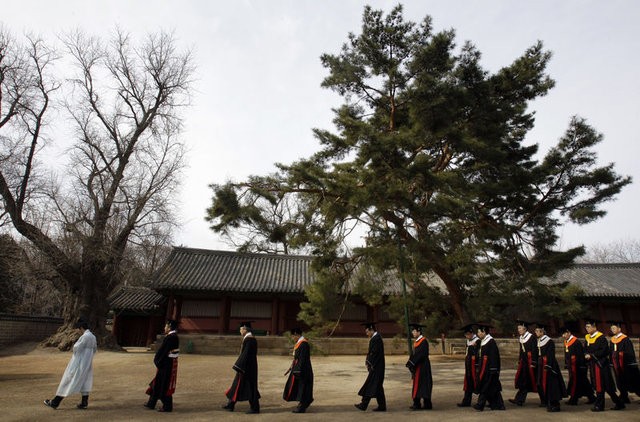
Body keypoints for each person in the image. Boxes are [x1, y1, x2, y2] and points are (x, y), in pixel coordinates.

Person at [44, 318, 97, 410]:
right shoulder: (93, 336)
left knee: (68, 379)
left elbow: (76, 348)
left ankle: (55, 402)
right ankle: (84, 402)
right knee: (85, 380)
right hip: (87, 363)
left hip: (79, 362)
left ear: (81, 328)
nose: (77, 331)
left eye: (77, 329)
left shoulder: (84, 337)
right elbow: (94, 349)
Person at [584, 318, 624, 411]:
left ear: (594, 327)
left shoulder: (601, 338)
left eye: (589, 327)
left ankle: (599, 405)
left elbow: (604, 351)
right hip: (593, 364)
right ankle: (619, 403)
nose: (587, 329)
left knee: (601, 385)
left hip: (601, 365)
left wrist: (591, 355)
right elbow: (585, 349)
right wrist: (585, 354)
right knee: (606, 386)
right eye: (586, 327)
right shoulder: (588, 337)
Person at [223, 321, 261, 414]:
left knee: (250, 387)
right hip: (246, 366)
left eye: (240, 329)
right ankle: (230, 404)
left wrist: (238, 366)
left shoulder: (250, 340)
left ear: (245, 329)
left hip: (247, 368)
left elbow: (246, 354)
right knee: (237, 385)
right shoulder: (248, 339)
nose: (240, 331)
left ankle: (255, 408)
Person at [144, 319, 179, 412]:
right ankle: (151, 403)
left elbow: (164, 352)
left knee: (163, 384)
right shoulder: (173, 337)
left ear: (170, 327)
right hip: (167, 363)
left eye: (166, 326)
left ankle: (167, 406)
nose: (164, 328)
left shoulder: (171, 338)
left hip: (166, 365)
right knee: (157, 383)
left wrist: (158, 360)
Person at [534, 323, 567, 412]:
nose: (536, 332)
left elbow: (551, 355)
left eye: (537, 331)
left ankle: (555, 404)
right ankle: (546, 401)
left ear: (542, 331)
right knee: (540, 383)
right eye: (535, 331)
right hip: (541, 364)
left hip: (549, 365)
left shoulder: (549, 341)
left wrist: (548, 365)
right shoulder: (539, 340)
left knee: (552, 385)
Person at [354, 322, 386, 412]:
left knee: (370, 385)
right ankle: (382, 406)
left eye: (367, 331)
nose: (366, 333)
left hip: (376, 367)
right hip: (377, 366)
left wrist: (369, 362)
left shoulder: (377, 339)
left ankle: (364, 404)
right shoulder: (375, 338)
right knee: (377, 386)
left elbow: (374, 353)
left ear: (372, 329)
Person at [473, 324, 505, 411]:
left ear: (484, 332)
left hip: (490, 369)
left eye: (479, 332)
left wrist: (493, 369)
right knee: (494, 388)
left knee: (485, 387)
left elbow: (494, 356)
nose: (478, 334)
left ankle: (480, 405)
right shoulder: (483, 341)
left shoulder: (491, 342)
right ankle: (499, 405)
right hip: (484, 368)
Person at [560, 324, 595, 405]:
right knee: (584, 382)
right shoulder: (566, 342)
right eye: (562, 334)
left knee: (575, 382)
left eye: (564, 333)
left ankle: (574, 399)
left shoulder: (576, 342)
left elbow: (580, 355)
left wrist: (581, 365)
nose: (563, 336)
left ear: (569, 332)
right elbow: (567, 354)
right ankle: (592, 397)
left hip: (578, 366)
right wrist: (566, 363)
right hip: (571, 366)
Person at [283, 327, 314, 413]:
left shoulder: (304, 344)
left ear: (296, 334)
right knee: (300, 387)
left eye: (293, 336)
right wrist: (291, 367)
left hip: (303, 369)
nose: (292, 338)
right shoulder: (299, 343)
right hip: (298, 367)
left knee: (303, 387)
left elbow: (303, 359)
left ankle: (302, 406)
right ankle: (305, 402)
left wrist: (298, 370)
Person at [608, 321, 640, 404]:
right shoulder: (612, 340)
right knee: (620, 380)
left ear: (619, 329)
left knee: (632, 381)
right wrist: (612, 361)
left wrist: (621, 355)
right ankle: (624, 396)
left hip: (626, 365)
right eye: (611, 328)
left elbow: (630, 352)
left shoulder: (625, 339)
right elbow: (611, 352)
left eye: (614, 328)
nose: (613, 330)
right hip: (617, 365)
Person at [509, 320, 538, 406]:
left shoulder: (531, 337)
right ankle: (519, 399)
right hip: (524, 362)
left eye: (520, 328)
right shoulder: (521, 338)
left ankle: (545, 399)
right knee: (523, 380)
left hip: (531, 362)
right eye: (518, 328)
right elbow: (521, 351)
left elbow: (534, 350)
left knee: (535, 381)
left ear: (525, 329)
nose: (518, 330)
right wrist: (520, 360)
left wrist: (533, 362)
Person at [405, 323, 433, 410]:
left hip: (423, 366)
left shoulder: (423, 341)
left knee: (423, 384)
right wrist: (410, 362)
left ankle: (425, 404)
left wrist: (412, 362)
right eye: (412, 331)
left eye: (414, 331)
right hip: (418, 366)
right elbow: (414, 354)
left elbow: (421, 354)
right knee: (418, 384)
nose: (413, 333)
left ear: (419, 332)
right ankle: (417, 403)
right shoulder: (417, 342)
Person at [457, 323, 480, 407]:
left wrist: (471, 348)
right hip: (468, 365)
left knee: (478, 383)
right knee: (468, 383)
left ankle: (485, 401)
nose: (466, 336)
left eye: (467, 334)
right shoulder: (468, 341)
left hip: (474, 366)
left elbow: (476, 353)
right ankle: (466, 401)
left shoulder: (477, 341)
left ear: (471, 333)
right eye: (465, 335)